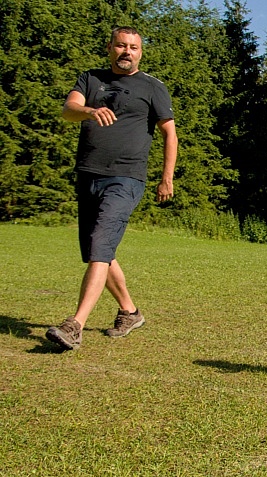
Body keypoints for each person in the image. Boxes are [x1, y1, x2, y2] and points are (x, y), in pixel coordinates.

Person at [46, 26, 178, 350]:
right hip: (88, 175)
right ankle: (130, 311)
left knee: (101, 244)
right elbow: (68, 109)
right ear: (110, 48)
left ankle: (75, 325)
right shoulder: (90, 79)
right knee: (98, 252)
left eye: (133, 47)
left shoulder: (152, 88)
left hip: (126, 178)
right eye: (121, 45)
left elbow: (169, 135)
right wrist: (90, 110)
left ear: (140, 52)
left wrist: (166, 178)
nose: (127, 52)